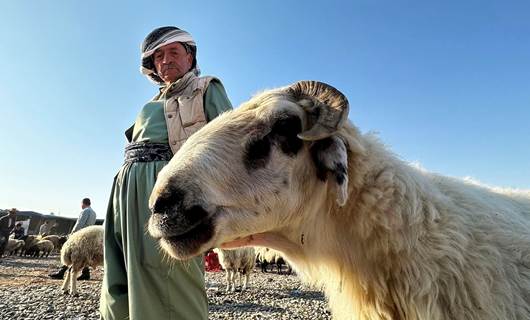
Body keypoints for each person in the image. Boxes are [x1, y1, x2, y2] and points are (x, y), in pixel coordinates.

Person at [99, 26, 232, 320]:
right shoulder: (151, 103)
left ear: (190, 57)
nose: (166, 59)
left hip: (168, 187)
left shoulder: (206, 87)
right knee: (120, 270)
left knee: (168, 273)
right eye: (159, 55)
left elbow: (230, 144)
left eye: (174, 51)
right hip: (125, 188)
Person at [49, 198, 96, 280]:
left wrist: (72, 233)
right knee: (84, 255)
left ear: (83, 203)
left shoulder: (85, 211)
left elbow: (79, 223)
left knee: (69, 253)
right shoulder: (93, 213)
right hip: (88, 237)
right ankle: (85, 273)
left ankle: (61, 272)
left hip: (79, 236)